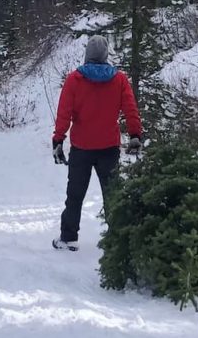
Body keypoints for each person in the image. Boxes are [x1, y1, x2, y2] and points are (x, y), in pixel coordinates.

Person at [52, 35, 142, 251]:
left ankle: (68, 237)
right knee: (112, 193)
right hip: (109, 147)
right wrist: (135, 134)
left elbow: (64, 112)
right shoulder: (119, 79)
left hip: (82, 146)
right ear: (105, 54)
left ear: (87, 54)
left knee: (75, 194)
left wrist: (58, 140)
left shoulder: (75, 79)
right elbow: (130, 109)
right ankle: (116, 239)